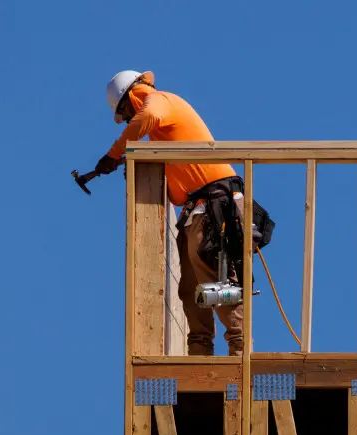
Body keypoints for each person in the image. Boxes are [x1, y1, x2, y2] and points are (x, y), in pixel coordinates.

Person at [87, 71, 271, 356]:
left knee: (218, 282)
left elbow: (145, 119)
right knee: (191, 291)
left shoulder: (161, 101)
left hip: (214, 205)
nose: (126, 118)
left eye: (124, 111)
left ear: (133, 96)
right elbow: (175, 190)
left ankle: (240, 356)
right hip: (195, 211)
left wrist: (113, 155)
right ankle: (200, 360)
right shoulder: (160, 137)